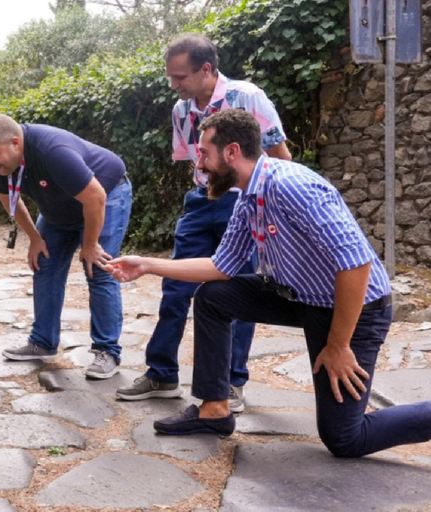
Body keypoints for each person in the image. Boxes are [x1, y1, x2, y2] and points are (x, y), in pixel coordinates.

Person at [107, 108, 431, 462]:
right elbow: (222, 266)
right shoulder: (248, 199)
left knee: (345, 438)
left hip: (353, 310)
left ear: (232, 152)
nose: (199, 163)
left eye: (205, 153)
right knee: (215, 297)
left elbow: (356, 265)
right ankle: (214, 410)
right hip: (301, 298)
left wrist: (338, 345)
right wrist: (148, 265)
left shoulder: (291, 186)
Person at [116, 34, 291, 412]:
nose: (173, 85)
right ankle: (161, 373)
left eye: (180, 77)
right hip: (200, 201)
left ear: (206, 70)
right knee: (175, 286)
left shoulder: (249, 97)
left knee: (239, 291)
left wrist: (270, 208)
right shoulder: (181, 111)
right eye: (171, 77)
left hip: (244, 201)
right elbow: (195, 164)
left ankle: (232, 383)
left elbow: (281, 156)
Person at [0, 113, 132, 379]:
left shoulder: (52, 151)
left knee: (98, 268)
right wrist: (35, 238)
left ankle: (108, 351)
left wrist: (90, 244)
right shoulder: (3, 165)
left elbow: (95, 197)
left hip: (105, 195)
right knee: (44, 263)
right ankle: (43, 342)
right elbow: (10, 202)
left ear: (15, 143)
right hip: (59, 207)